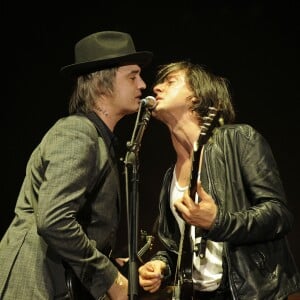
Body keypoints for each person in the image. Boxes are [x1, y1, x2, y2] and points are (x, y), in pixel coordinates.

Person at [0, 31, 153, 300]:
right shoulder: (77, 133)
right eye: (132, 76)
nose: (142, 84)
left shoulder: (96, 138)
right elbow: (54, 219)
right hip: (35, 285)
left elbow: (77, 224)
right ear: (102, 85)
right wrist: (110, 279)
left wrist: (114, 266)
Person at [138, 61, 300, 299]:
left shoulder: (238, 139)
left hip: (253, 293)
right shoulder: (169, 177)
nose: (157, 87)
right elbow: (175, 247)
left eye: (170, 81)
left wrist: (218, 222)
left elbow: (279, 214)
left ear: (195, 97)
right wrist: (161, 266)